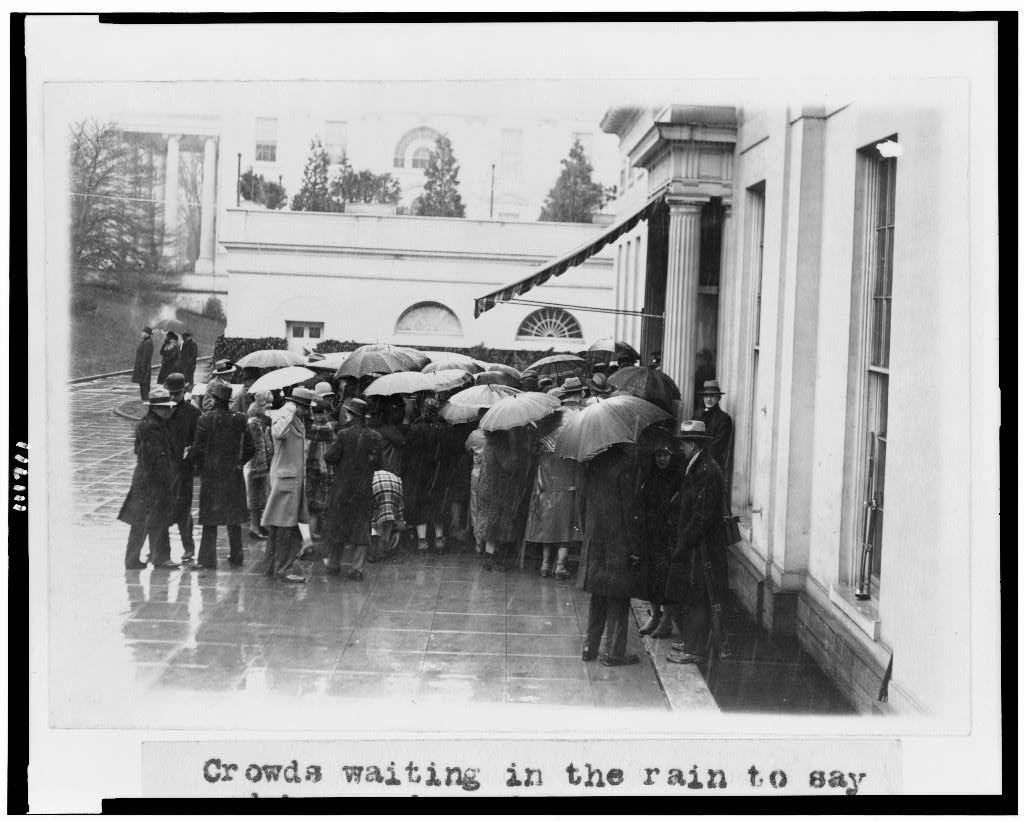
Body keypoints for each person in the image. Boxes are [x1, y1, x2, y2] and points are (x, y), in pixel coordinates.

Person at [664, 420, 730, 665]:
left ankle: (695, 649)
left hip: (703, 549)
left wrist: (683, 543)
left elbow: (702, 515)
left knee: (699, 597)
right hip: (699, 547)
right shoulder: (699, 466)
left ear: (693, 445)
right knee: (693, 595)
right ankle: (692, 642)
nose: (681, 448)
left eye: (683, 444)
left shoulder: (705, 470)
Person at [577, 443, 648, 666]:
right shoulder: (626, 466)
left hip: (595, 541)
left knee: (598, 596)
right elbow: (630, 510)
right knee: (618, 598)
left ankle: (590, 647)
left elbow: (582, 503)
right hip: (617, 542)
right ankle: (614, 652)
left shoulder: (593, 464)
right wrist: (636, 546)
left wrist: (588, 533)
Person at [190, 381, 255, 570]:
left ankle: (207, 559)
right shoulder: (240, 419)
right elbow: (251, 447)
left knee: (209, 519)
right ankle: (237, 555)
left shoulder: (205, 419)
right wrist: (240, 462)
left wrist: (199, 464)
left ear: (214, 399)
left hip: (211, 474)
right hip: (233, 474)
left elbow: (198, 448)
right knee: (233, 518)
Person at [118, 387, 179, 569]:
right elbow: (155, 456)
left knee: (141, 520)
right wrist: (165, 477)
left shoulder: (151, 423)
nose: (169, 410)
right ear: (156, 408)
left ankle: (136, 559)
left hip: (145, 478)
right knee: (155, 519)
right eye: (165, 407)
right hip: (152, 480)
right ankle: (159, 558)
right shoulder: (152, 427)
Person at [322, 397, 382, 581]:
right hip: (363, 490)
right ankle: (357, 568)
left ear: (351, 415)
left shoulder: (343, 435)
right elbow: (379, 463)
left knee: (338, 525)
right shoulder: (375, 436)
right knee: (361, 527)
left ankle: (333, 564)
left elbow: (329, 457)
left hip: (343, 489)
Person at [261, 386, 315, 582]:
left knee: (279, 525)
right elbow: (278, 433)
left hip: (292, 479)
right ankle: (282, 569)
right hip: (286, 480)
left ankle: (270, 567)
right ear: (296, 405)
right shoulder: (285, 415)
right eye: (305, 407)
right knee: (284, 527)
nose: (307, 411)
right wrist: (290, 409)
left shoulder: (297, 418)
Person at [524, 407, 582, 581]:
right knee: (565, 533)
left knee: (548, 533)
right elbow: (578, 475)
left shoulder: (545, 450)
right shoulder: (574, 450)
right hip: (567, 494)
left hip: (547, 496)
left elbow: (539, 477)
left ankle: (545, 565)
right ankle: (560, 567)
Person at [476, 426, 535, 572]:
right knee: (496, 523)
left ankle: (489, 555)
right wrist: (516, 456)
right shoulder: (500, 445)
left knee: (490, 521)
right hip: (498, 490)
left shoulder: (488, 443)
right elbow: (509, 465)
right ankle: (491, 557)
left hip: (486, 486)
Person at [638, 443, 682, 638]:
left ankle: (667, 620)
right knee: (651, 576)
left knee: (666, 577)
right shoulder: (651, 476)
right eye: (658, 455)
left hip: (669, 535)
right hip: (652, 533)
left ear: (672, 456)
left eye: (665, 455)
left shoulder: (678, 478)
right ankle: (655, 615)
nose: (661, 459)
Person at [402, 397, 450, 553]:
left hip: (419, 474)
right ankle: (439, 540)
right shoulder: (444, 428)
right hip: (439, 474)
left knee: (420, 505)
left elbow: (407, 452)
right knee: (438, 505)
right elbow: (449, 453)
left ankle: (422, 541)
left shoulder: (416, 428)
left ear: (423, 410)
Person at [164, 373, 200, 563]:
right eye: (170, 393)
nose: (172, 397)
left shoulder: (193, 413)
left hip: (184, 469)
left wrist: (190, 454)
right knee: (162, 508)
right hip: (165, 467)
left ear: (184, 391)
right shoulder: (163, 410)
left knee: (184, 509)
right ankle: (160, 550)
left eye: (176, 393)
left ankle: (188, 548)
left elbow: (199, 441)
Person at [305, 391, 338, 541]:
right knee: (316, 504)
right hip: (317, 468)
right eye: (316, 413)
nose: (318, 416)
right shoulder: (325, 427)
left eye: (321, 413)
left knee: (315, 504)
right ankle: (311, 534)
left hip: (317, 468)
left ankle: (311, 534)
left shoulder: (317, 427)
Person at [244, 390, 274, 539]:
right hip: (257, 465)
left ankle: (259, 526)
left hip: (258, 464)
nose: (269, 408)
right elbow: (259, 446)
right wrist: (262, 466)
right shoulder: (255, 423)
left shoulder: (258, 422)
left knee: (260, 495)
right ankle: (254, 527)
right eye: (267, 405)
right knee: (256, 496)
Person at [464, 410, 488, 554]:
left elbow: (467, 448)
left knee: (475, 506)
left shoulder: (474, 435)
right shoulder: (495, 435)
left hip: (476, 472)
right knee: (488, 506)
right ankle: (488, 539)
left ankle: (478, 542)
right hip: (490, 473)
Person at [698, 379, 734, 476]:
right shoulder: (698, 415)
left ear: (719, 398)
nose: (709, 399)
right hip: (696, 462)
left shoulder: (724, 419)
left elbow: (717, 447)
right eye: (706, 396)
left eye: (712, 396)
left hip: (713, 465)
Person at [369, 468, 405, 562]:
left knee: (375, 520)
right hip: (395, 485)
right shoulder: (395, 475)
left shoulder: (372, 473)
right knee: (389, 519)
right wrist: (399, 522)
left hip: (377, 483)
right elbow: (399, 507)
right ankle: (383, 550)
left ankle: (374, 553)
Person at [131, 327, 154, 401]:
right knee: (143, 387)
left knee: (144, 388)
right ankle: (144, 401)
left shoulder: (148, 343)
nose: (141, 333)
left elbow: (146, 358)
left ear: (147, 333)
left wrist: (143, 370)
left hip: (144, 370)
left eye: (143, 332)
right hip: (142, 369)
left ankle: (145, 402)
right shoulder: (145, 341)